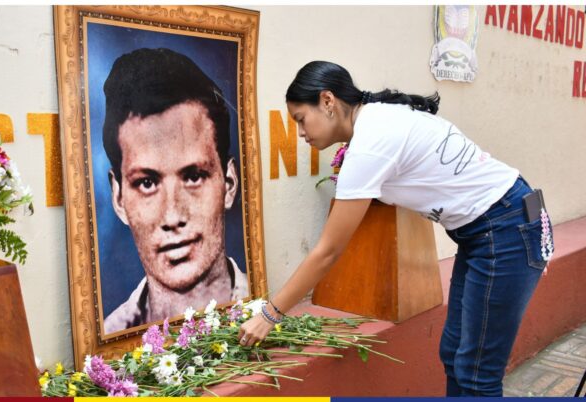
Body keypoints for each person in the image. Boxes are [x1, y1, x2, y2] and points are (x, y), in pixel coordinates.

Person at [237, 60, 553, 396]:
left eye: (301, 119)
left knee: (477, 372)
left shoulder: (371, 141)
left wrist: (269, 315)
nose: (301, 133)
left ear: (327, 101)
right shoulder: (377, 119)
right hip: (490, 229)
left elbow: (328, 251)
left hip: (505, 229)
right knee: (455, 353)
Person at [102, 48, 249, 333]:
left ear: (229, 184)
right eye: (147, 183)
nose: (172, 216)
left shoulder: (262, 307)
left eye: (194, 177)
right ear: (118, 198)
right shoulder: (110, 340)